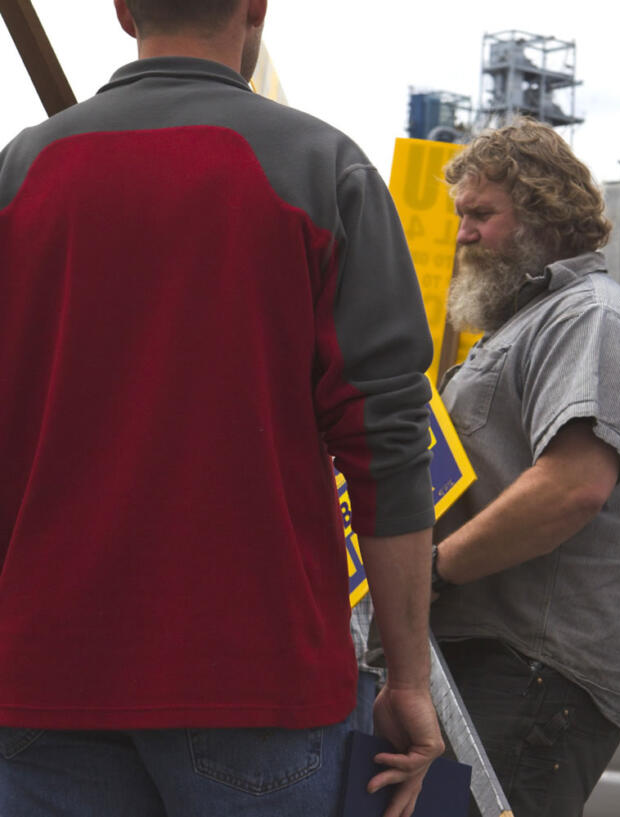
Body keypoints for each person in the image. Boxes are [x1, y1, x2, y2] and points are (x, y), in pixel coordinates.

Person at [0, 2, 442, 815]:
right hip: (254, 680)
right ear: (256, 8)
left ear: (124, 11)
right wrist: (408, 674)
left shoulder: (17, 175)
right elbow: (385, 443)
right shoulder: (322, 169)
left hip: (41, 679)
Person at [427, 118, 620, 817]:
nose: (463, 234)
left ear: (540, 217)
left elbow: (571, 486)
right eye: (460, 216)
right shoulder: (526, 321)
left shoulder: (590, 317)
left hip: (531, 668)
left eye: (481, 215)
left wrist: (432, 571)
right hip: (496, 660)